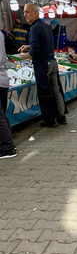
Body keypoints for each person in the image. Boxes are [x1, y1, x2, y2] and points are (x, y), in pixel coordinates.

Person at [19, 4, 67, 128]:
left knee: (45, 92)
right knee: (56, 90)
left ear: (35, 13)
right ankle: (61, 117)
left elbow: (34, 52)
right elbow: (44, 44)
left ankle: (50, 120)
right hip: (52, 62)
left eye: (27, 12)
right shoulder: (45, 26)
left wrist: (24, 55)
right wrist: (29, 46)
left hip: (43, 64)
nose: (24, 15)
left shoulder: (34, 28)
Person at [0, 30, 17, 159]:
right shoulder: (0, 34)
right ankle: (9, 142)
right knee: (2, 114)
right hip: (3, 79)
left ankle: (7, 148)